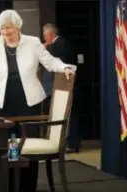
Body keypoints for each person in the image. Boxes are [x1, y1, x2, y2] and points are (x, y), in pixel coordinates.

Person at [0, 10, 77, 192]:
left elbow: (49, 62)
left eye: (8, 28)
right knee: (8, 146)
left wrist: (64, 66)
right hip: (3, 103)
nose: (4, 32)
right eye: (1, 29)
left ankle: (27, 188)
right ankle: (10, 187)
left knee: (26, 144)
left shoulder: (33, 43)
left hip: (29, 101)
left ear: (18, 26)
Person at [43, 23, 80, 153]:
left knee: (68, 114)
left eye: (45, 36)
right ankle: (67, 143)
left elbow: (59, 60)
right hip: (63, 85)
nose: (44, 39)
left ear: (50, 35)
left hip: (66, 84)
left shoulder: (59, 44)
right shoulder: (59, 44)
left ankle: (70, 143)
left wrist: (46, 48)